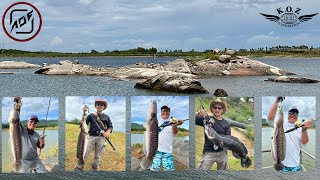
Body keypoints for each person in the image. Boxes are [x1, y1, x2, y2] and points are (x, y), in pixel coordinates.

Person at [267, 97, 313, 172]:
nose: (292, 115)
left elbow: (304, 142)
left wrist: (304, 130)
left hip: (295, 166)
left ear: (297, 116)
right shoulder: (282, 124)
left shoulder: (301, 127)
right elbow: (269, 119)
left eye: (295, 113)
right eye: (290, 113)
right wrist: (276, 101)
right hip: (282, 165)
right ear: (287, 115)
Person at [9, 97, 47, 173]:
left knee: (44, 173)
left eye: (35, 122)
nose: (33, 123)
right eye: (31, 121)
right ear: (27, 122)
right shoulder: (21, 129)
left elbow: (40, 146)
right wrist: (17, 105)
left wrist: (41, 144)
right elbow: (16, 120)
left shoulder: (37, 135)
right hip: (23, 161)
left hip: (35, 159)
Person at [74, 99, 113, 171]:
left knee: (98, 155)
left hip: (101, 138)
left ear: (104, 107)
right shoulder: (91, 115)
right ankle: (79, 167)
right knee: (84, 152)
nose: (99, 106)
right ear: (95, 106)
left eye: (101, 105)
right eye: (98, 104)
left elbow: (110, 126)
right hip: (91, 137)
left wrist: (107, 132)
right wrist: (84, 112)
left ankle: (95, 167)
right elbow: (83, 122)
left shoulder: (106, 117)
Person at [195, 98, 231, 170]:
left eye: (219, 108)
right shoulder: (206, 119)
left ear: (222, 110)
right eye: (215, 107)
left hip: (222, 152)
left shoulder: (226, 124)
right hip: (209, 151)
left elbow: (228, 139)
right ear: (212, 109)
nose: (217, 109)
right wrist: (198, 114)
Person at [150, 105, 183, 171]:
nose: (165, 112)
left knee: (169, 170)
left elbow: (175, 133)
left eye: (167, 111)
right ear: (161, 112)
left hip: (168, 151)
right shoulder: (156, 121)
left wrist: (175, 125)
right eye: (163, 110)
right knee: (154, 169)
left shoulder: (172, 121)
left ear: (169, 112)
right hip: (156, 150)